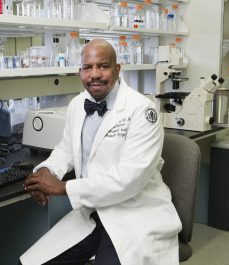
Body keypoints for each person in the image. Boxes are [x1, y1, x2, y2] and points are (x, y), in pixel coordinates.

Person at [20, 39, 182, 265]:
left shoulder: (142, 110)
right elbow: (66, 149)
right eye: (88, 67)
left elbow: (128, 181)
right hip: (93, 213)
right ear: (80, 72)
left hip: (134, 214)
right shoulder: (78, 104)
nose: (94, 74)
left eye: (103, 66)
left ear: (117, 69)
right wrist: (44, 173)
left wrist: (63, 187)